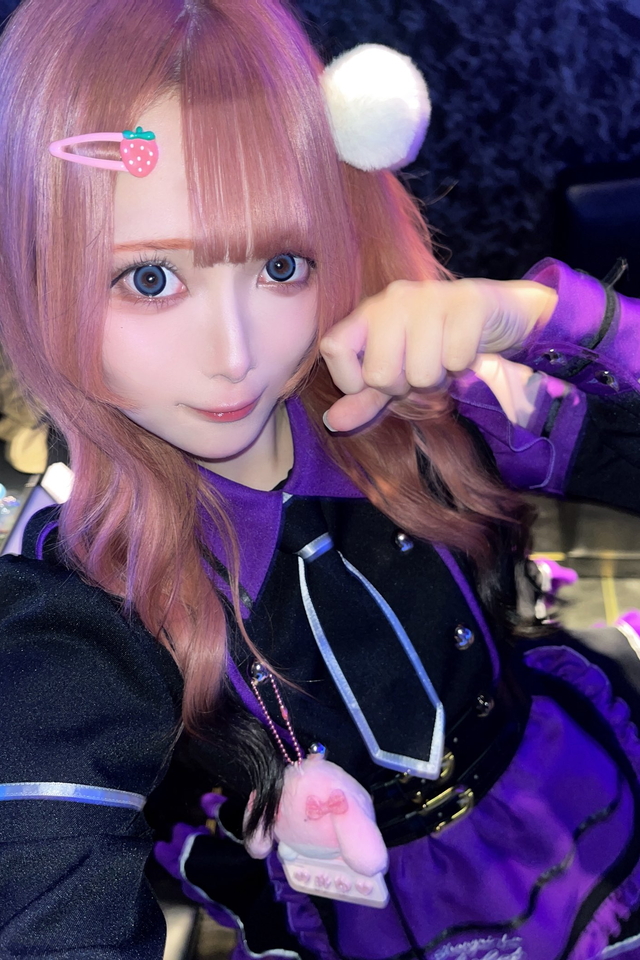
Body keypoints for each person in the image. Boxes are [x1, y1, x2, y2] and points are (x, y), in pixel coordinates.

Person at [1, 1, 640, 958]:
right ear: (38, 272)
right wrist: (249, 806)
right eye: (149, 279)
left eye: (280, 263)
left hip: (572, 794)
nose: (234, 355)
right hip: (379, 917)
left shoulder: (418, 395)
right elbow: (54, 879)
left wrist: (548, 319)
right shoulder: (78, 582)